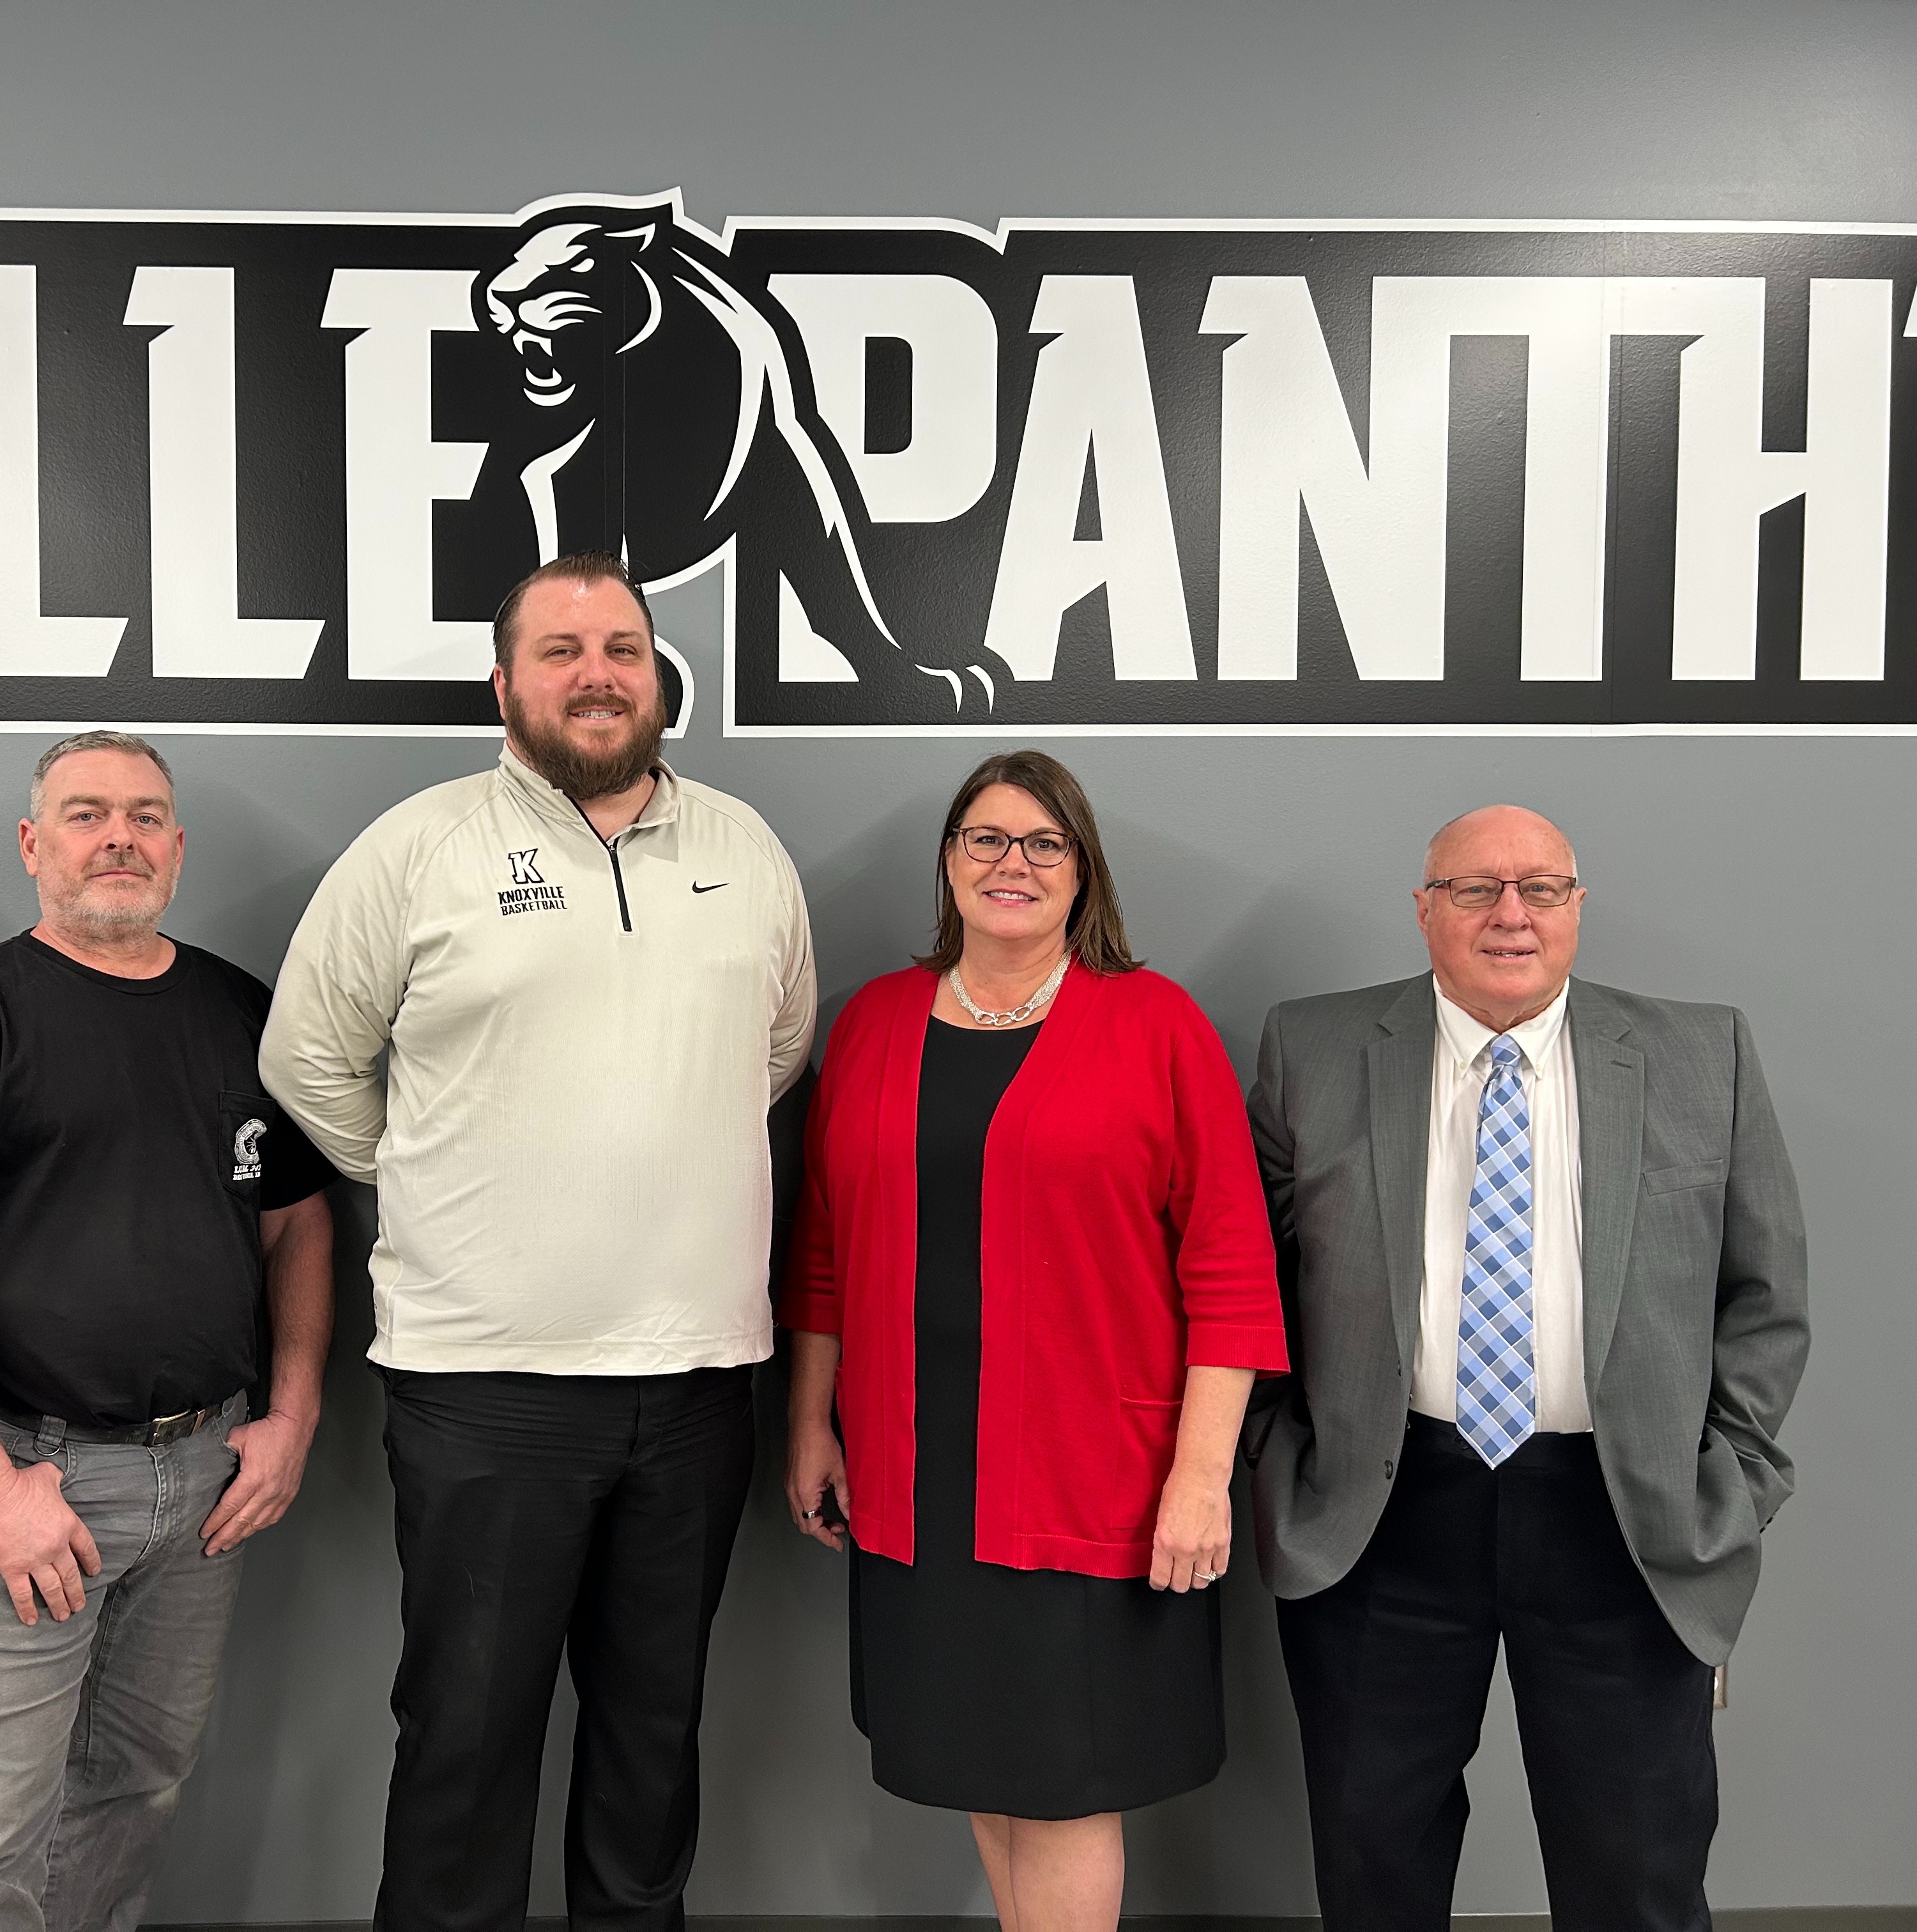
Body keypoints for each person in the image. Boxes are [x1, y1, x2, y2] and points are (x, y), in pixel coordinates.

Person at [260, 553, 816, 1932]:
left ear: (657, 675)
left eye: (623, 646)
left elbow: (776, 1050)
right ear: (504, 683)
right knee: (465, 1748)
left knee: (651, 1752)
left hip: (697, 1383)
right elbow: (308, 1056)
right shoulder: (419, 847)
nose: (597, 673)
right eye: (561, 650)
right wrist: (445, 1176)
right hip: (485, 1386)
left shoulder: (743, 852)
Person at [1248, 804, 1810, 1932]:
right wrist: (1278, 1456)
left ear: (1576, 908)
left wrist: (1730, 1481)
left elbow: (1767, 1295)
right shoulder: (1313, 1048)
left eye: (1541, 889)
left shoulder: (1703, 1052)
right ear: (1425, 910)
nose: (1511, 914)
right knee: (1375, 1873)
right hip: (1382, 1510)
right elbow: (1244, 1283)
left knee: (1636, 1879)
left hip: (1625, 1515)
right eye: (1475, 889)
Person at [0, 730, 337, 1932]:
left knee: (135, 1794)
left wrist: (293, 1414)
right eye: (89, 814)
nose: (120, 838)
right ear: (33, 843)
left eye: (147, 817)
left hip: (209, 1478)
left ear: (178, 845)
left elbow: (301, 1224)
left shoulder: (235, 1012)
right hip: (31, 1481)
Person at [778, 750, 1287, 1932]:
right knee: (984, 1767)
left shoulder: (1155, 1026)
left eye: (1043, 844)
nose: (1013, 865)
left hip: (1087, 1478)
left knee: (1060, 1784)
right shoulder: (873, 1022)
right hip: (919, 1478)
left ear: (1083, 871)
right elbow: (820, 1253)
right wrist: (811, 1421)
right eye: (986, 840)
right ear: (949, 862)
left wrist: (1201, 1479)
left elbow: (1232, 1271)